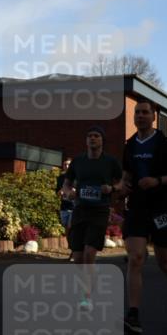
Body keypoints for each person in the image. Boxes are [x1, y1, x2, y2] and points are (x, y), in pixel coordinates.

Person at [120, 100, 167, 335]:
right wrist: (124, 185)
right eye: (137, 112)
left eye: (145, 112)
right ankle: (133, 315)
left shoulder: (166, 145)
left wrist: (159, 181)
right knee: (136, 257)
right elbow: (126, 174)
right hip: (138, 207)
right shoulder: (129, 145)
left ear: (153, 116)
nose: (140, 116)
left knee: (163, 261)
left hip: (163, 207)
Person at [61, 126, 122, 311]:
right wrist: (67, 192)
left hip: (100, 211)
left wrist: (112, 189)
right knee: (78, 257)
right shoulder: (78, 161)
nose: (92, 139)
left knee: (89, 253)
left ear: (102, 140)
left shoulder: (110, 161)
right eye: (89, 136)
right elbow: (67, 182)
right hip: (80, 210)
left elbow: (120, 182)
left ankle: (85, 296)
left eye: (96, 136)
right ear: (86, 140)